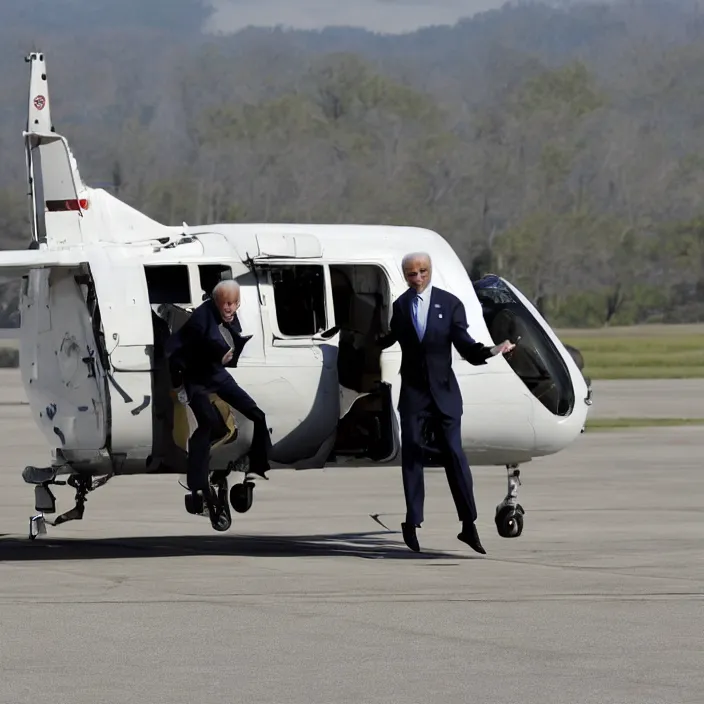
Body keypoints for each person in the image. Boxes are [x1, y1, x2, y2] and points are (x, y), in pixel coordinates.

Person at [376, 252, 515, 554]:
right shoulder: (400, 307)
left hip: (444, 392)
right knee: (411, 451)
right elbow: (389, 339)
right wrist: (356, 339)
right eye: (412, 274)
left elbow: (465, 345)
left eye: (422, 272)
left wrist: (493, 350)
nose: (418, 279)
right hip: (414, 393)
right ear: (405, 276)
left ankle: (468, 523)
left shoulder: (450, 304)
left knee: (454, 453)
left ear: (430, 270)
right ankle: (413, 521)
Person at [164, 279, 271, 498]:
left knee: (257, 415)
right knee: (207, 425)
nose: (230, 308)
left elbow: (230, 337)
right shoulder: (199, 322)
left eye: (234, 303)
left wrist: (226, 355)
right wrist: (180, 387)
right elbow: (176, 357)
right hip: (196, 379)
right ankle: (197, 482)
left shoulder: (230, 315)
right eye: (226, 303)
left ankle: (257, 467)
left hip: (217, 375)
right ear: (216, 302)